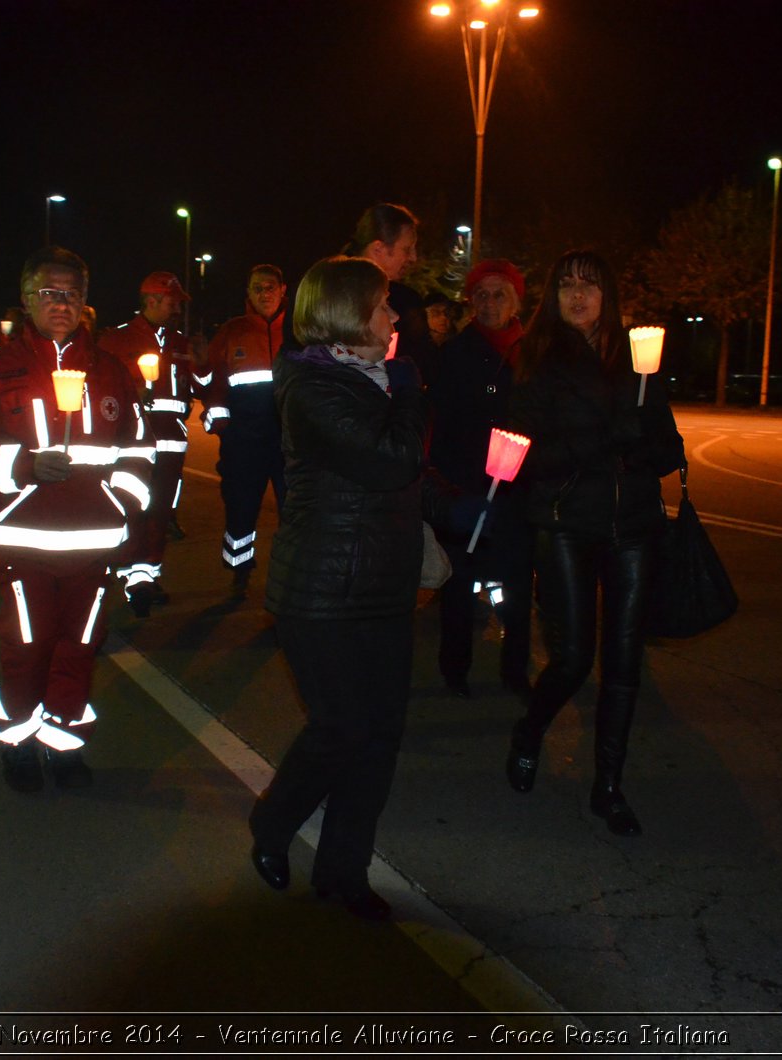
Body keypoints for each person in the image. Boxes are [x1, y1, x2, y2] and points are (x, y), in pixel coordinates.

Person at [250, 255, 452, 922]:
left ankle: (343, 871)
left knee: (381, 734)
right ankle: (273, 825)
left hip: (384, 590)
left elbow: (407, 473)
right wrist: (408, 383)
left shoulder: (372, 380)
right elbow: (392, 459)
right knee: (339, 728)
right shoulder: (313, 388)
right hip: (322, 593)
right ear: (348, 315)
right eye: (384, 305)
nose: (396, 318)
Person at [0, 247, 154, 793]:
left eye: (70, 294)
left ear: (85, 302)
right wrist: (24, 465)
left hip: (95, 544)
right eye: (48, 292)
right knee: (27, 647)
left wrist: (123, 504)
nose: (59, 303)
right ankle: (17, 743)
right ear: (26, 298)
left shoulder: (110, 370)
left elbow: (140, 450)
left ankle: (64, 742)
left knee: (80, 645)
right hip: (24, 542)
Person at [504, 249, 685, 837]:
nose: (577, 296)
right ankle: (531, 728)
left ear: (608, 295)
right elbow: (519, 449)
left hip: (631, 525)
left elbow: (670, 449)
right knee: (575, 657)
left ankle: (608, 786)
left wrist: (643, 442)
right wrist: (596, 444)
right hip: (565, 523)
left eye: (589, 285)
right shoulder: (536, 357)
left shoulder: (637, 359)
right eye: (565, 286)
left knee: (625, 662)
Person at [426, 259, 534, 699]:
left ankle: (515, 669)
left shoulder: (531, 353)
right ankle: (455, 669)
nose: (490, 303)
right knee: (460, 582)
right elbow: (442, 422)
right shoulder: (455, 353)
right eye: (482, 295)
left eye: (499, 294)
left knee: (516, 582)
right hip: (466, 486)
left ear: (516, 301)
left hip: (518, 490)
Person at [97, 271, 196, 615]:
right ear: (151, 300)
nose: (177, 309)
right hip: (134, 444)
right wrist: (133, 396)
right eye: (172, 302)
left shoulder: (180, 342)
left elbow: (192, 385)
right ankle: (128, 572)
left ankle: (145, 577)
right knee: (131, 508)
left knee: (161, 512)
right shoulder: (116, 340)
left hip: (171, 442)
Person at [198, 265, 288, 596]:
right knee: (240, 508)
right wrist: (220, 422)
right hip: (244, 442)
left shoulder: (298, 332)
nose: (264, 293)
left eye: (270, 287)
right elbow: (213, 383)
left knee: (295, 511)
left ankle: (290, 575)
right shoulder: (232, 332)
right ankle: (239, 571)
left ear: (283, 290)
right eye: (257, 288)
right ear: (247, 294)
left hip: (288, 442)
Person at [342, 203, 435, 387]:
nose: (413, 258)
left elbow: (426, 365)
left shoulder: (406, 300)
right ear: (378, 249)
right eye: (407, 249)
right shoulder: (327, 295)